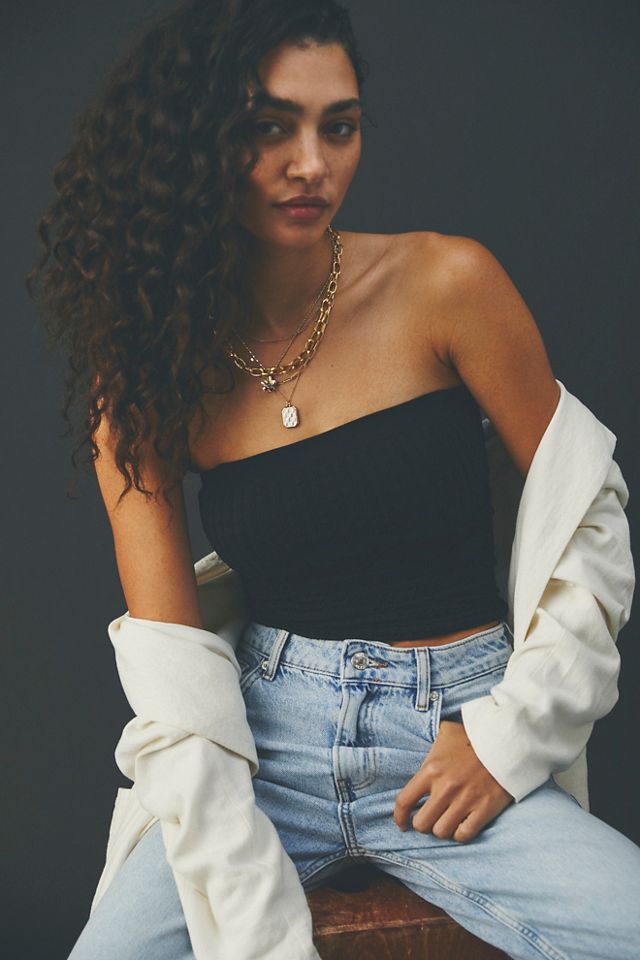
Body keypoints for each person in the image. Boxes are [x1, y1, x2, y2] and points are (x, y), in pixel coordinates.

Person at [26, 1, 639, 958]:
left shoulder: (446, 283)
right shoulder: (150, 380)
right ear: (195, 143)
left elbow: (587, 515)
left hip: (453, 734)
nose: (311, 163)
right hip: (261, 748)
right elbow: (176, 676)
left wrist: (509, 737)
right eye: (269, 127)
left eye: (339, 127)